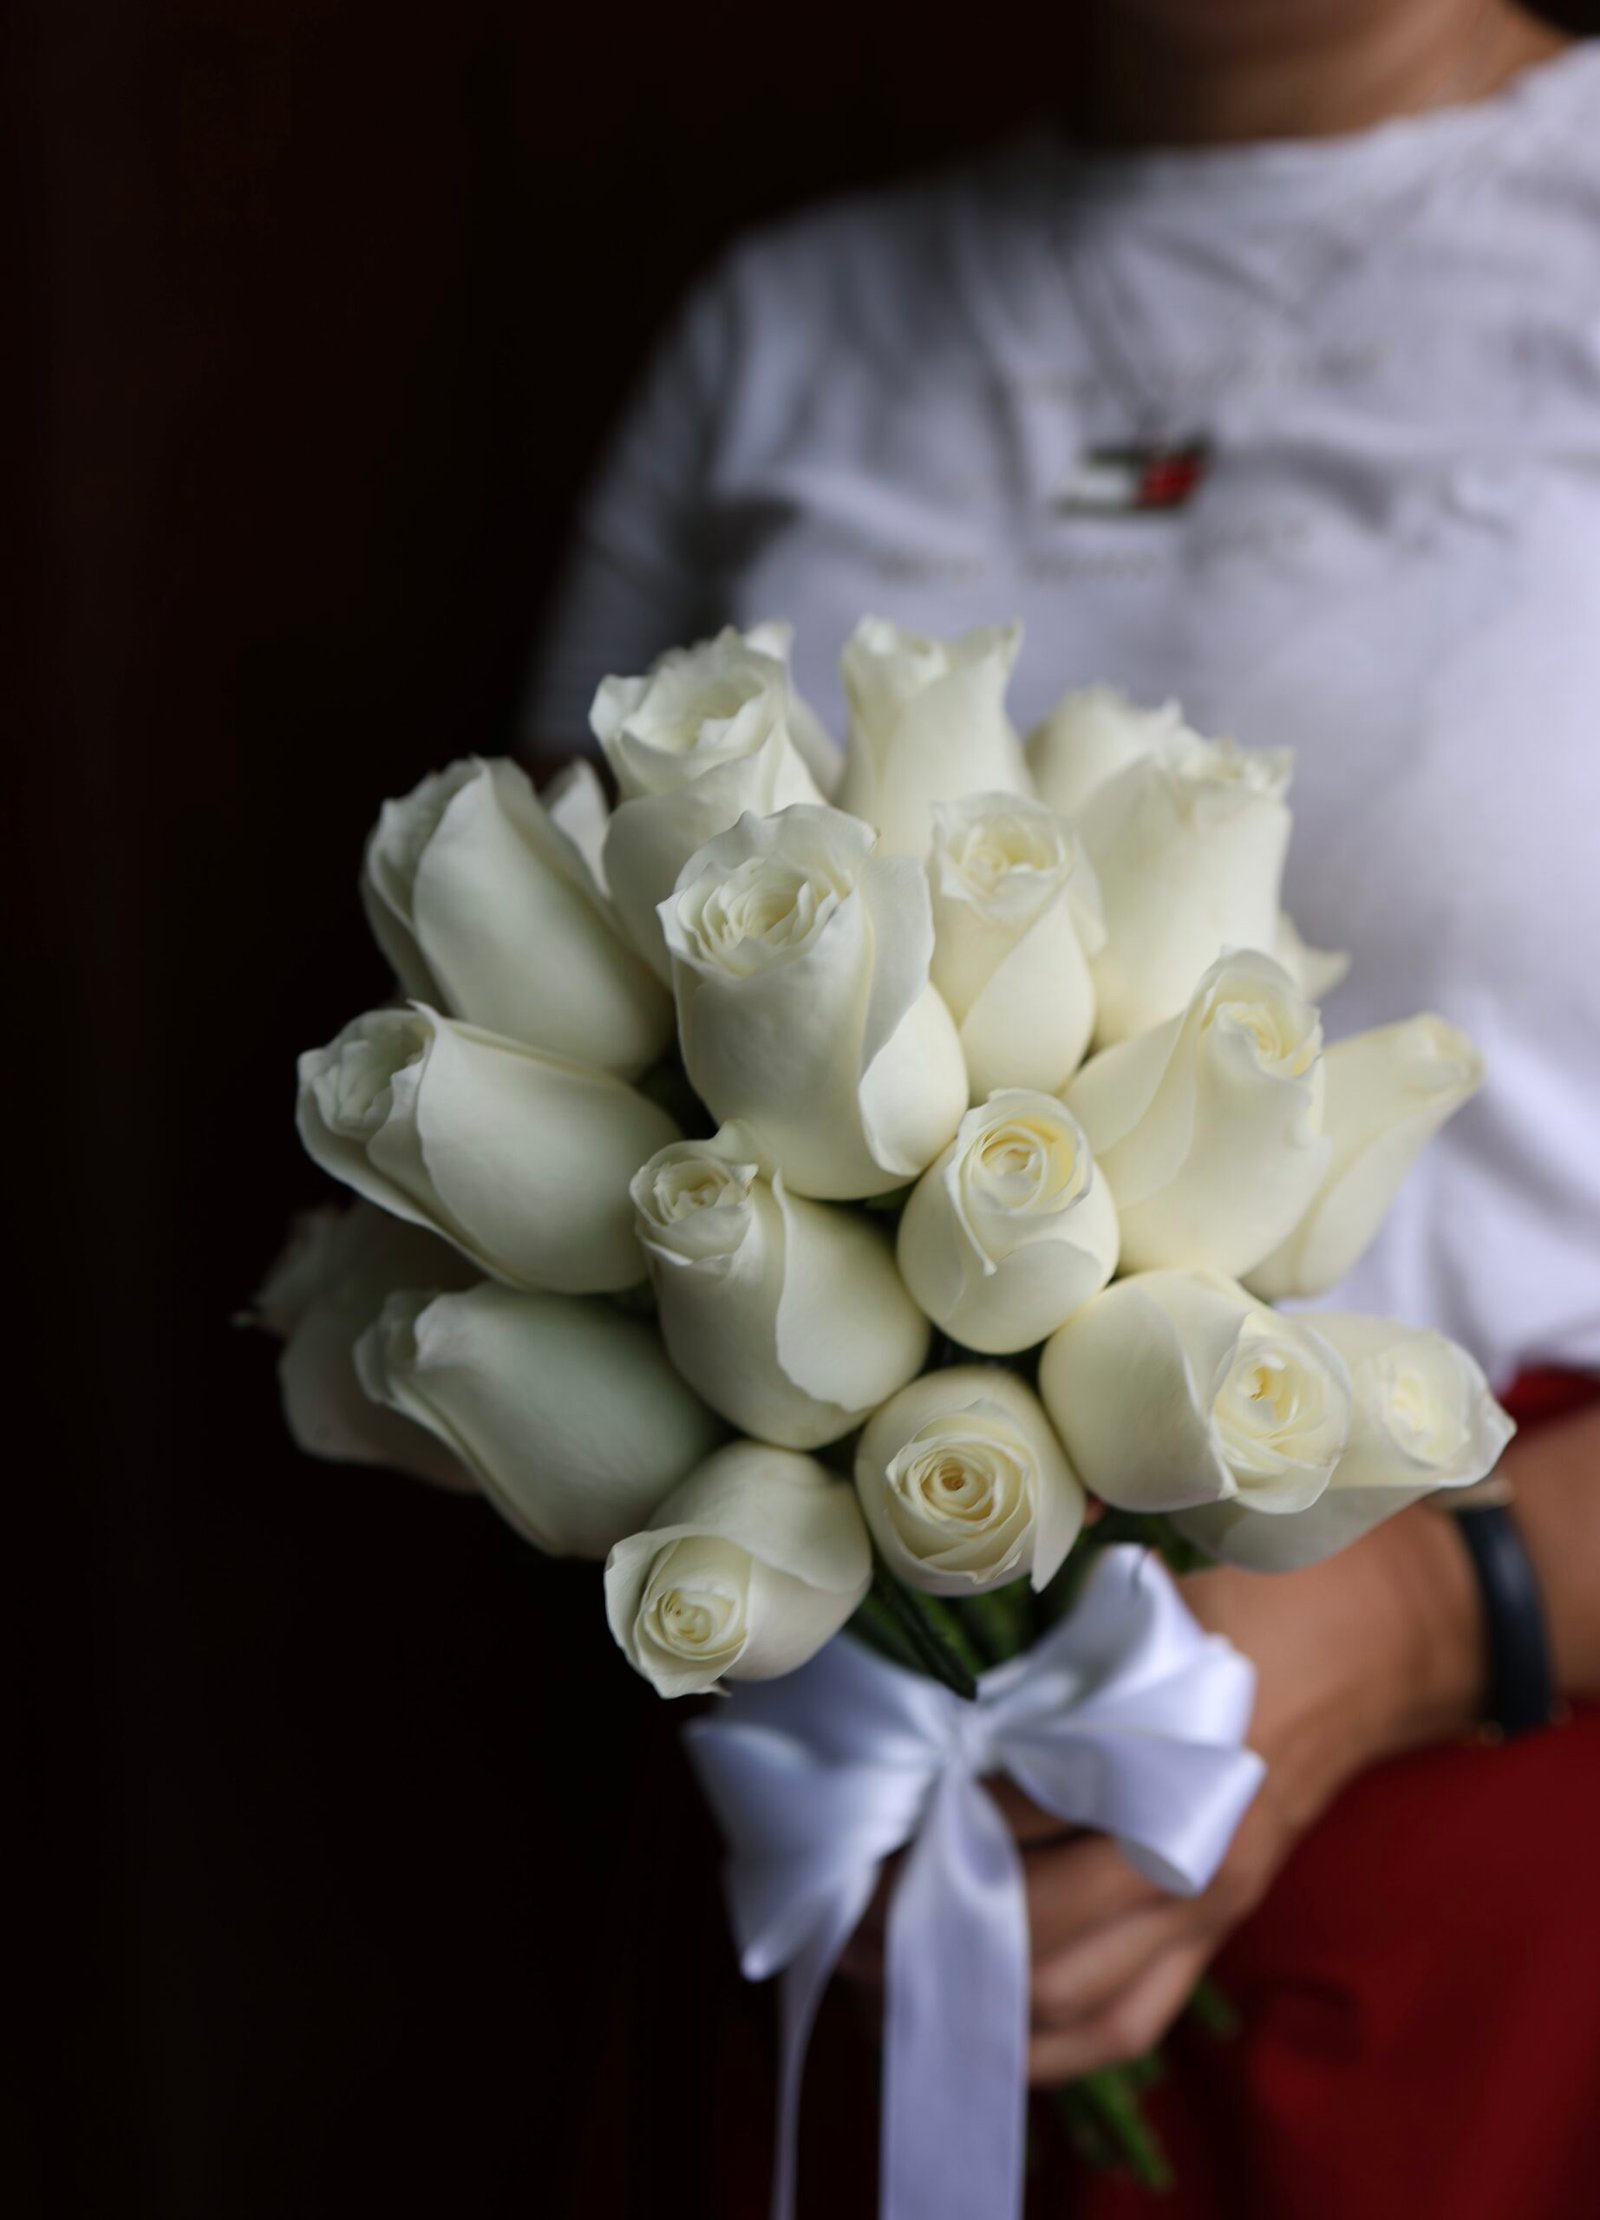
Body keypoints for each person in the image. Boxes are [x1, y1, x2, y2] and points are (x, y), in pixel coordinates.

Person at [525, 4, 1600, 2212]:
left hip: (1514, 1834)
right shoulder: (787, 326)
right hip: (862, 1796)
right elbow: (561, 1048)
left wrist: (1423, 1617)